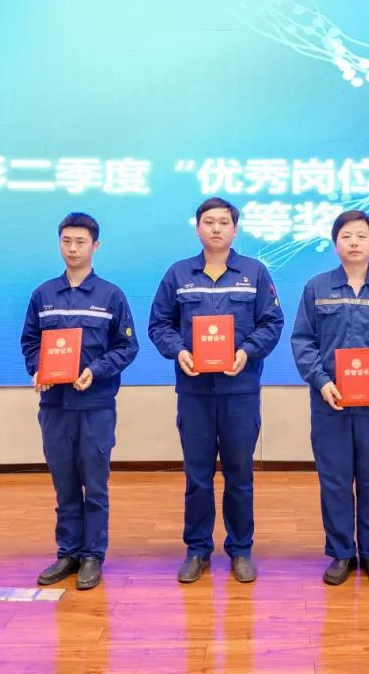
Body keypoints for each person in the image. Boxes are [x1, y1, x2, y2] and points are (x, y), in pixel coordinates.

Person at [148, 197, 284, 584]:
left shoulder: (254, 272)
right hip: (195, 392)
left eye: (224, 222)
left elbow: (272, 322)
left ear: (235, 229)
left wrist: (246, 351)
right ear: (198, 229)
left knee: (240, 474)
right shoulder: (178, 274)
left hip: (240, 391)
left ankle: (240, 549)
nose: (217, 228)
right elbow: (159, 324)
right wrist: (179, 351)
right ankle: (197, 549)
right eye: (209, 222)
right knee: (198, 476)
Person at [290, 210, 369, 587]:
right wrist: (321, 381)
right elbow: (303, 340)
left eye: (361, 236)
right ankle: (341, 552)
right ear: (335, 244)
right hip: (330, 402)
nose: (354, 243)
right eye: (346, 236)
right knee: (335, 480)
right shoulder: (317, 288)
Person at [20, 212, 139, 590]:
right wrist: (37, 369)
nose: (73, 248)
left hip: (95, 405)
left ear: (95, 246)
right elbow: (30, 342)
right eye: (67, 241)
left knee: (95, 484)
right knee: (64, 482)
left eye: (81, 242)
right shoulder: (43, 295)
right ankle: (68, 552)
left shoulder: (111, 295)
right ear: (60, 243)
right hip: (54, 406)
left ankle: (92, 556)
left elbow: (127, 346)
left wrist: (96, 370)